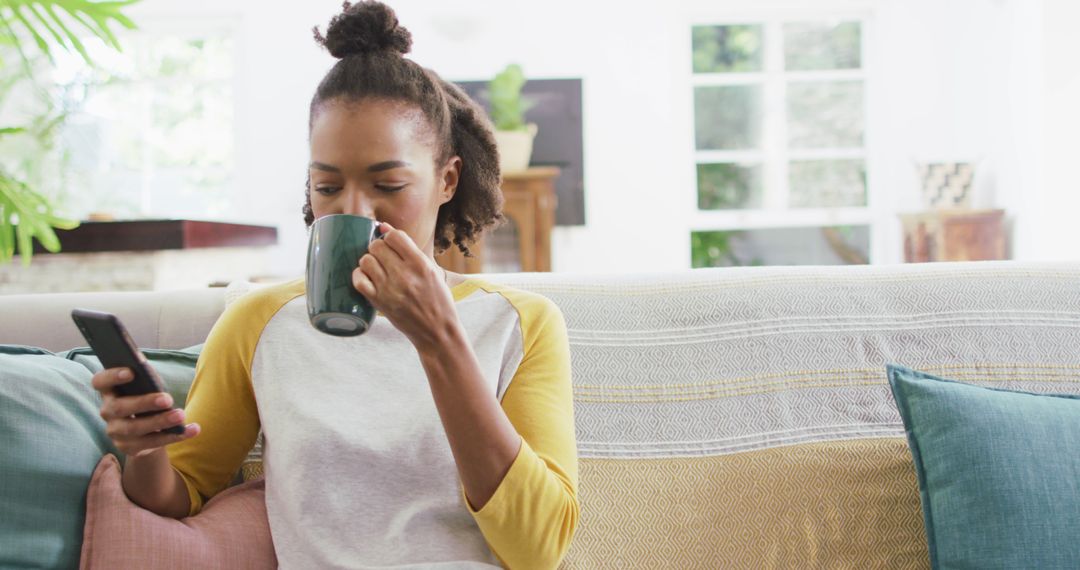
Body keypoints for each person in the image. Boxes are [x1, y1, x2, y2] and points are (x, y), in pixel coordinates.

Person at [89, 2, 579, 567]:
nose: (354, 211)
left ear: (447, 179)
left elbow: (539, 549)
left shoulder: (521, 324)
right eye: (326, 188)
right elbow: (181, 495)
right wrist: (146, 450)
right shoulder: (258, 323)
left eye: (388, 184)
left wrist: (440, 339)